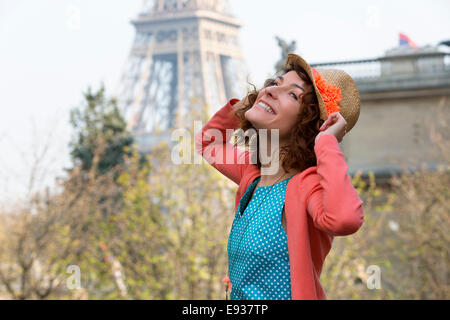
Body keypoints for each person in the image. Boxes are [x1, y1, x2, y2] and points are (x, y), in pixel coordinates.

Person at [194, 53, 364, 300]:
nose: (271, 91)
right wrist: (246, 105)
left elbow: (345, 220)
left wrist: (327, 142)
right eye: (274, 83)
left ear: (308, 124)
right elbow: (207, 142)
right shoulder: (252, 174)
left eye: (293, 94)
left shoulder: (306, 187)